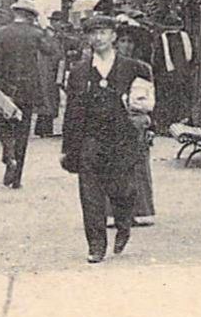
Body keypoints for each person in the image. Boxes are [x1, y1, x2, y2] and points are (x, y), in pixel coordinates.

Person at [61, 14, 154, 263]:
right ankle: (96, 246)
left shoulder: (133, 67)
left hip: (122, 138)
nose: (98, 38)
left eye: (103, 33)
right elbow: (71, 113)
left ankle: (124, 225)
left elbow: (145, 102)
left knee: (123, 191)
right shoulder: (79, 72)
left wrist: (145, 123)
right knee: (90, 195)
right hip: (89, 139)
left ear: (113, 36)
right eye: (93, 33)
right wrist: (69, 148)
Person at [0, 0, 48, 188]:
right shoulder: (36, 33)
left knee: (4, 126)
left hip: (7, 88)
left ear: (15, 12)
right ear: (31, 15)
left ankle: (8, 154)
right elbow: (53, 51)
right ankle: (17, 180)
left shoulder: (1, 32)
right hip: (29, 89)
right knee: (23, 132)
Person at [115, 17, 158, 225]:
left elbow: (151, 98)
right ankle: (116, 212)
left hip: (137, 120)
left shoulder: (143, 68)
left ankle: (136, 210)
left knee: (137, 166)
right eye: (122, 41)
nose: (126, 46)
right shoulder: (108, 66)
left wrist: (152, 126)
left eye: (130, 42)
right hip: (113, 120)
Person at [32, 18, 64, 138]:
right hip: (47, 72)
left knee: (48, 100)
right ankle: (44, 129)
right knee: (48, 100)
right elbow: (57, 55)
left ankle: (43, 129)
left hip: (49, 72)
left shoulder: (52, 38)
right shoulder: (49, 39)